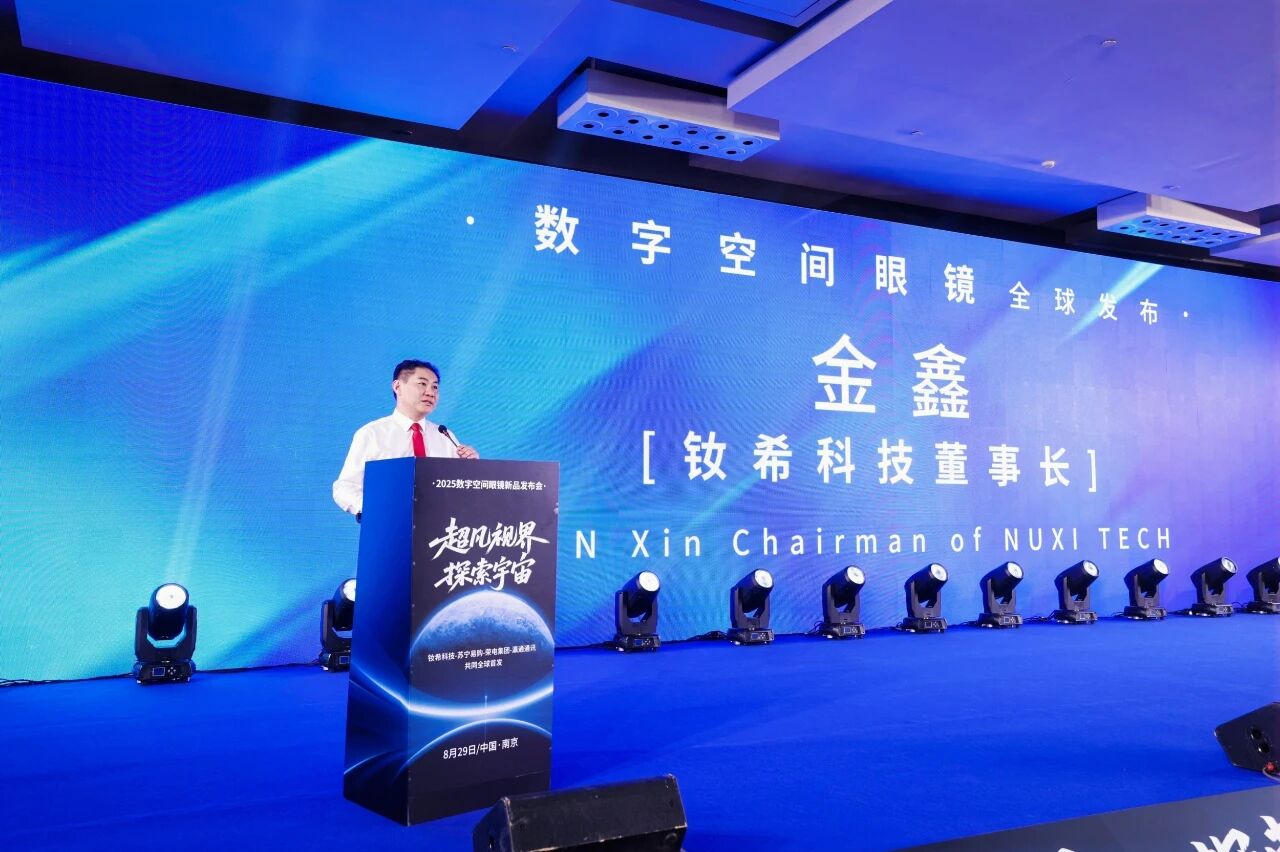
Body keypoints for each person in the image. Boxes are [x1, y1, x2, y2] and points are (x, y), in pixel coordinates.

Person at [333, 359, 479, 518]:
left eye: (435, 387)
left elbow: (459, 488)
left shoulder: (444, 435)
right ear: (397, 387)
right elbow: (345, 487)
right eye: (422, 384)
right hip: (389, 525)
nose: (430, 392)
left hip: (439, 526)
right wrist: (373, 510)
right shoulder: (372, 433)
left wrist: (471, 469)